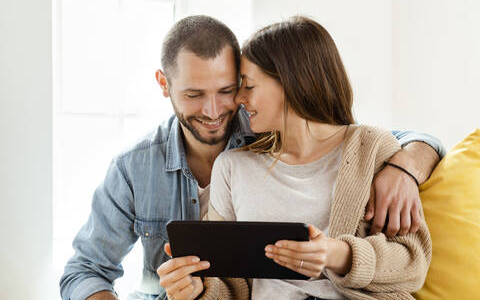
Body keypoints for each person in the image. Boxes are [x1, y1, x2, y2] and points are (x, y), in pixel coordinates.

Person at [60, 15, 443, 300]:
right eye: (194, 95)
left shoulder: (360, 147)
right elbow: (85, 270)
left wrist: (403, 168)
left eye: (232, 88)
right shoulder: (143, 167)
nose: (216, 109)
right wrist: (196, 290)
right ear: (165, 84)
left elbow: (400, 143)